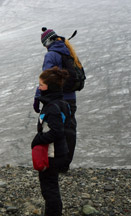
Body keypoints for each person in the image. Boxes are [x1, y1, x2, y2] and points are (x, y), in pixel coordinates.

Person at [31, 67, 71, 216]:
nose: (39, 87)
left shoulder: (53, 107)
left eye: (41, 85)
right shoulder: (60, 103)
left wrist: (37, 140)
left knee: (50, 191)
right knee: (51, 189)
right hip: (58, 153)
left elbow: (56, 132)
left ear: (50, 87)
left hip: (53, 156)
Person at [33, 27, 79, 173]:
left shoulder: (52, 55)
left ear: (47, 42)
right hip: (71, 98)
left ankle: (55, 164)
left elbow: (46, 78)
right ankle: (65, 165)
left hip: (57, 100)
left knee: (55, 130)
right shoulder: (68, 51)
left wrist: (37, 97)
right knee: (69, 129)